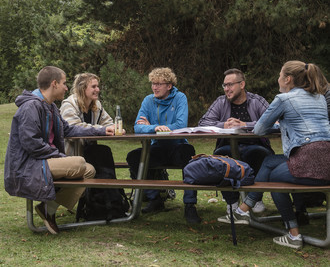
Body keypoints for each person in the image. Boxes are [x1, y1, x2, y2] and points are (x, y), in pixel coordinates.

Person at [217, 61, 330, 249]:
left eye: (279, 75)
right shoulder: (318, 98)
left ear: (288, 79)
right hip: (326, 160)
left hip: (308, 162)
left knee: (273, 179)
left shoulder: (283, 99)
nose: (277, 79)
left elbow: (260, 128)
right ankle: (244, 210)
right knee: (269, 161)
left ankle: (293, 235)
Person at [4, 66, 115, 235]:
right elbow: (31, 144)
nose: (66, 87)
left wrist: (100, 130)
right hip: (28, 165)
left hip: (43, 160)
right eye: (63, 83)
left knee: (90, 170)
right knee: (79, 162)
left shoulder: (51, 108)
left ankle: (48, 208)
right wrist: (59, 156)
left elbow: (69, 130)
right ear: (54, 84)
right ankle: (48, 210)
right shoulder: (30, 107)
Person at [126, 67, 200, 223]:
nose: (155, 87)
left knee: (189, 154)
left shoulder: (180, 98)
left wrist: (153, 125)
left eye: (159, 84)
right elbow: (138, 127)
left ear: (169, 86)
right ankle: (154, 198)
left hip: (178, 146)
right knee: (133, 157)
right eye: (153, 83)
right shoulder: (148, 100)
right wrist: (155, 127)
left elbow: (180, 125)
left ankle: (190, 205)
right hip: (157, 148)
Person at [198, 68, 273, 214]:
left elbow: (273, 122)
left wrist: (245, 125)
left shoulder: (257, 101)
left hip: (255, 145)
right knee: (220, 157)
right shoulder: (220, 102)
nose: (227, 89)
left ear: (242, 84)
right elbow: (202, 123)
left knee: (259, 155)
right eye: (225, 85)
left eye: (230, 85)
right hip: (226, 147)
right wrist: (223, 125)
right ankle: (231, 201)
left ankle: (255, 198)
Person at [60, 73, 124, 172]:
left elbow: (108, 122)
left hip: (89, 151)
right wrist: (102, 129)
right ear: (82, 88)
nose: (97, 90)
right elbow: (74, 128)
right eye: (93, 87)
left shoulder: (96, 105)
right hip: (72, 156)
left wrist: (115, 128)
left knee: (103, 152)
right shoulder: (69, 105)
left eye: (97, 86)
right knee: (101, 154)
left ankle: (110, 187)